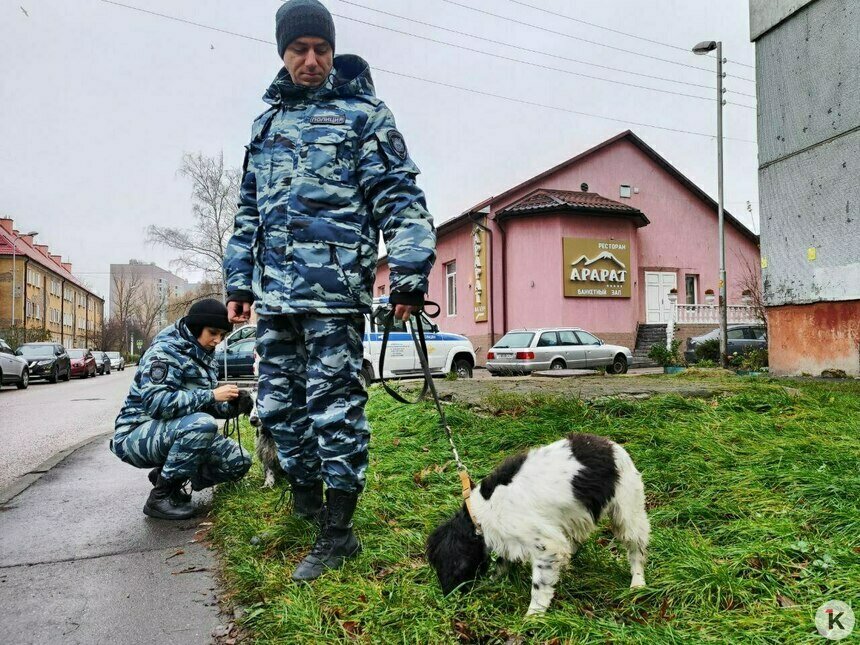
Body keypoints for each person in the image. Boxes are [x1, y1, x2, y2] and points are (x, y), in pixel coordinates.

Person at [223, 0, 436, 580]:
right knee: (279, 409)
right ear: (283, 54)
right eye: (299, 50)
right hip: (275, 300)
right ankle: (306, 505)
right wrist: (239, 278)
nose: (310, 60)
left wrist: (411, 277)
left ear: (332, 51)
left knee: (335, 411)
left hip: (334, 297)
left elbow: (400, 197)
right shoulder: (265, 125)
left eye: (321, 48)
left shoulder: (363, 114)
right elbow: (248, 211)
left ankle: (339, 534)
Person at [111, 299, 254, 520]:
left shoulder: (202, 353)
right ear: (197, 328)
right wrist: (212, 394)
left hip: (176, 430)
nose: (217, 340)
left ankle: (170, 476)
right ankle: (160, 497)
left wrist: (233, 407)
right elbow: (157, 404)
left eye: (223, 336)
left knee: (240, 461)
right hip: (134, 434)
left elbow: (203, 404)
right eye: (213, 333)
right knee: (202, 424)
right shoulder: (164, 353)